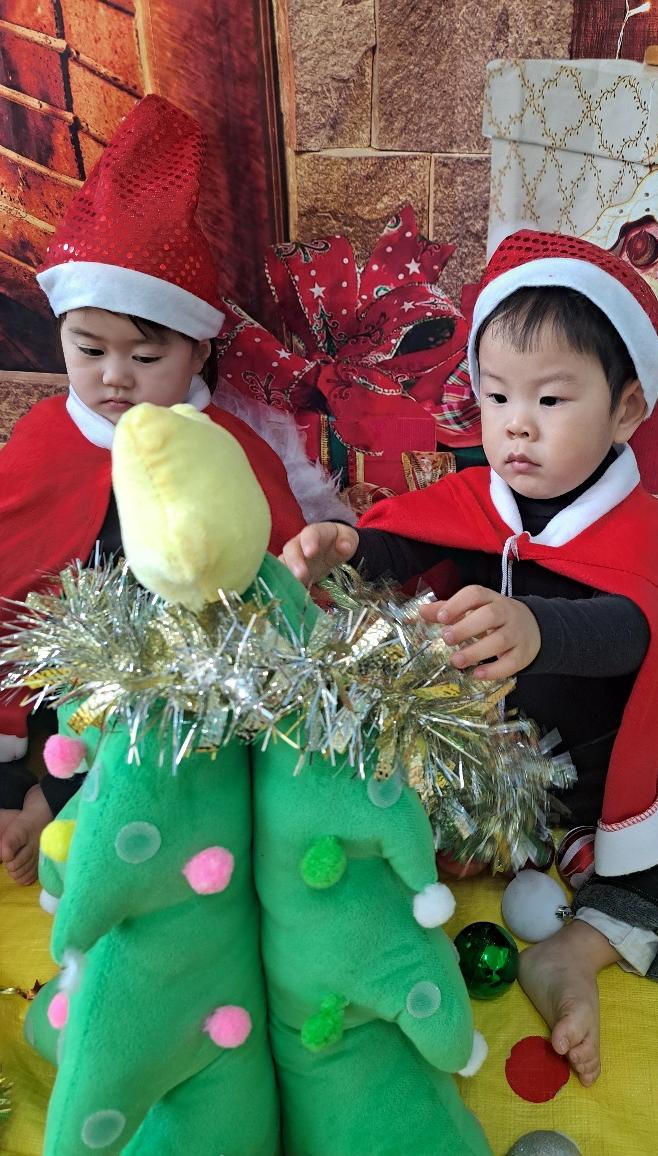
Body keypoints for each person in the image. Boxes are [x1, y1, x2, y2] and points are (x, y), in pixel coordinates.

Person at [281, 230, 658, 1088]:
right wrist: (348, 546)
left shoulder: (644, 531)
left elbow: (634, 629)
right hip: (485, 761)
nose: (515, 424)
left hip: (598, 772)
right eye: (496, 394)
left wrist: (538, 628)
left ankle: (574, 952)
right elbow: (410, 538)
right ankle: (375, 933)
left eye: (549, 399)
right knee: (361, 792)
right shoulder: (482, 494)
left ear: (625, 411)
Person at [0, 95, 306, 886]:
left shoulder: (225, 448)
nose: (114, 378)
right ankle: (31, 795)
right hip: (58, 686)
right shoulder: (45, 440)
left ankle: (67, 808)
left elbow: (283, 574)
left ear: (198, 350)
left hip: (177, 687)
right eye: (88, 349)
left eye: (145, 357)